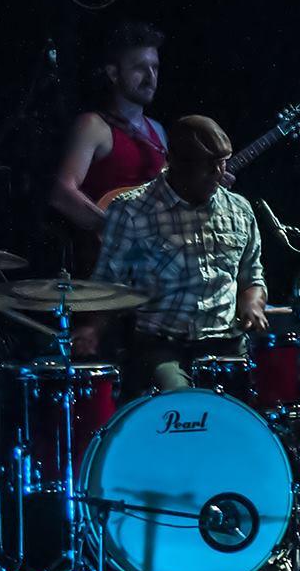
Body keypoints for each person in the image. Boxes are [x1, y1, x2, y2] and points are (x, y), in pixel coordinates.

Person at [72, 116, 270, 393]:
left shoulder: (239, 210)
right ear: (176, 162)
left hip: (226, 344)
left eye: (222, 162)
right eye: (207, 165)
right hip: (161, 346)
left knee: (252, 404)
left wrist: (252, 303)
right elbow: (108, 282)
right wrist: (92, 329)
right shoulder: (132, 211)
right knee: (180, 401)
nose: (218, 173)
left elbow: (252, 276)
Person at [47, 22, 170, 276]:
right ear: (114, 74)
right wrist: (116, 229)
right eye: (140, 68)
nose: (151, 77)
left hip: (152, 270)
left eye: (155, 67)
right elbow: (61, 192)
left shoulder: (158, 131)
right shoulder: (93, 125)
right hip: (105, 270)